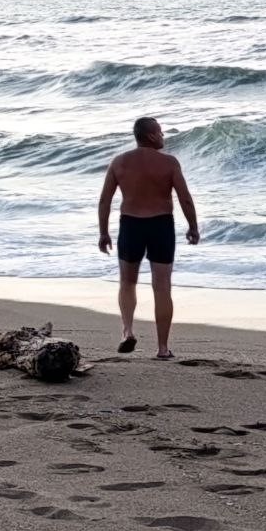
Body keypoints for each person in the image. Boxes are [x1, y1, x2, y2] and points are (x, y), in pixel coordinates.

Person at [97, 117, 199, 359]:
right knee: (162, 287)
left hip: (131, 225)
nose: (163, 136)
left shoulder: (119, 162)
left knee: (127, 282)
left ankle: (127, 331)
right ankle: (163, 348)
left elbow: (105, 200)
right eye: (161, 132)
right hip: (160, 226)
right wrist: (193, 226)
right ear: (152, 135)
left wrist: (103, 232)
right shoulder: (169, 163)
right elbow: (185, 198)